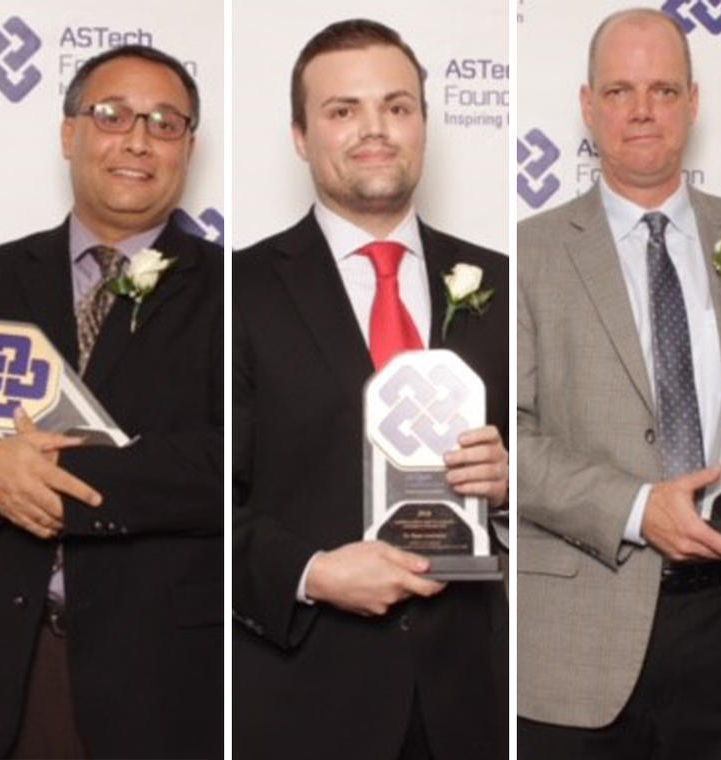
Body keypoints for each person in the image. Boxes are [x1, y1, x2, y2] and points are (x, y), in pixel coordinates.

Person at [517, 8, 721, 758]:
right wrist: (639, 508)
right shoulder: (527, 255)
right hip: (576, 647)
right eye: (619, 91)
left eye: (664, 91)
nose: (642, 111)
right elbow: (506, 441)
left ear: (694, 104)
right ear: (587, 105)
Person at [232, 19, 508, 760]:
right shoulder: (237, 292)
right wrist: (311, 573)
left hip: (473, 704)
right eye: (342, 110)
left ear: (423, 122)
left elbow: (570, 468)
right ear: (300, 134)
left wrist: (514, 482)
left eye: (397, 106)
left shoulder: (506, 283)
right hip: (303, 702)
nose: (374, 130)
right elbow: (197, 505)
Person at [0, 44, 222, 758]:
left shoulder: (241, 293)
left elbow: (245, 458)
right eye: (111, 115)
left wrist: (54, 482)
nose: (136, 139)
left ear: (188, 147)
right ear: (69, 134)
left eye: (164, 123)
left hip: (166, 672)